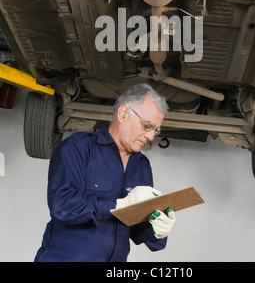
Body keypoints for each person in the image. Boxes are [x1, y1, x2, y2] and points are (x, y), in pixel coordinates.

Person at [34, 83, 176, 262]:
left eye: (156, 130)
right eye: (147, 126)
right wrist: (120, 205)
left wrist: (158, 230)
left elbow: (137, 229)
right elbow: (62, 206)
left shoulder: (141, 165)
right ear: (123, 114)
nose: (150, 136)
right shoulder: (78, 147)